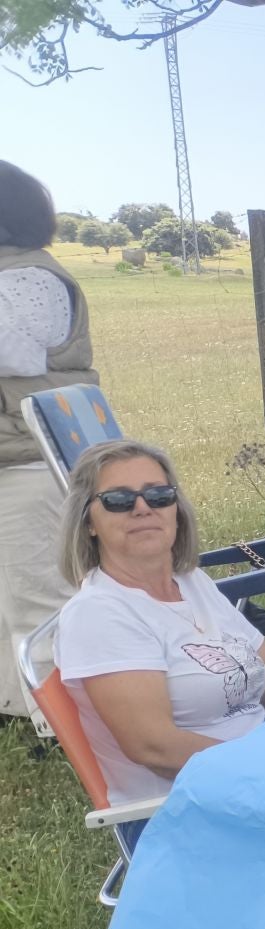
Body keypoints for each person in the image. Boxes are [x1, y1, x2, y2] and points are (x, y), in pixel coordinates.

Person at [52, 439, 265, 807]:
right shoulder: (100, 615)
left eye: (159, 495)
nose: (143, 508)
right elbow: (157, 748)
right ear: (88, 523)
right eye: (119, 500)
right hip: (198, 805)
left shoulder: (192, 582)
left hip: (264, 773)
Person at [0, 161, 94, 726]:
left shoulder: (31, 277)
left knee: (44, 604)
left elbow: (18, 356)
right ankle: (21, 709)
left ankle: (70, 728)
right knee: (12, 597)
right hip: (15, 461)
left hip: (33, 468)